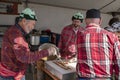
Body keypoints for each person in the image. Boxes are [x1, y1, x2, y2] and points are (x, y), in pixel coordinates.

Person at [0, 8, 56, 80]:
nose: (33, 27)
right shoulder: (16, 34)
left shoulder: (16, 30)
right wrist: (48, 52)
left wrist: (30, 59)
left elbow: (20, 52)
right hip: (11, 75)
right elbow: (23, 57)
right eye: (33, 24)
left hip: (13, 72)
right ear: (24, 21)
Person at [77, 9, 120, 80]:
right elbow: (118, 60)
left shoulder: (79, 35)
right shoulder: (111, 36)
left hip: (83, 77)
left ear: (85, 20)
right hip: (103, 77)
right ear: (100, 21)